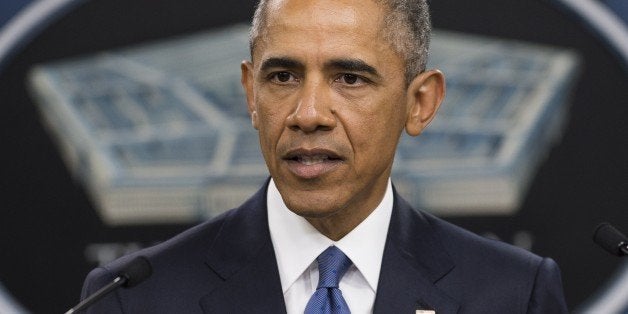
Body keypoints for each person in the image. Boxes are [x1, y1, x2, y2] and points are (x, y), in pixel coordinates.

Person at [79, 0, 569, 312]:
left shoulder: (512, 293)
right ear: (251, 95)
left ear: (420, 103)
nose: (308, 114)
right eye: (283, 77)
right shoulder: (134, 298)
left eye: (350, 79)